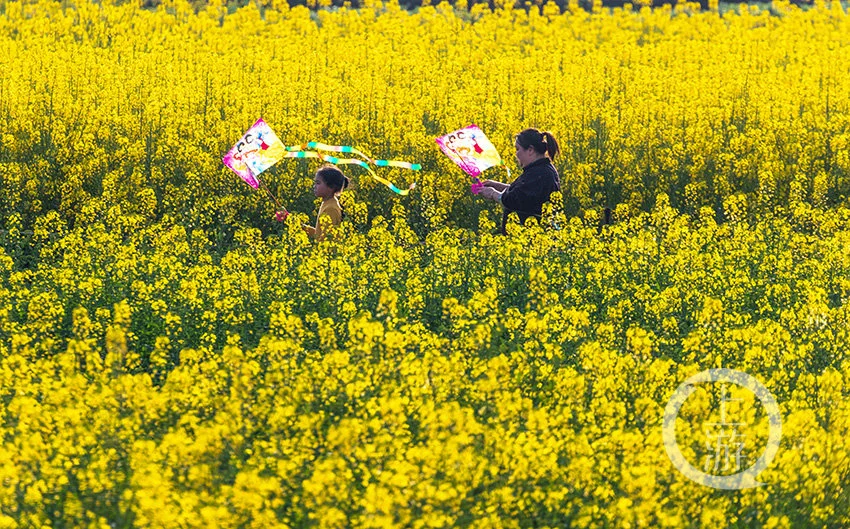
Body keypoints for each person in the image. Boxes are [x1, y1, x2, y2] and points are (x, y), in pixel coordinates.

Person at [477, 128, 561, 235]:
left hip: (532, 240)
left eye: (518, 149)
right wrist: (497, 185)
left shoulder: (540, 173)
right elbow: (522, 193)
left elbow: (514, 199)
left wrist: (493, 193)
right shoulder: (539, 169)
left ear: (530, 150)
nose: (516, 154)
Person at [297, 165, 349, 241]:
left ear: (331, 187)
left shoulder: (330, 208)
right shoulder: (327, 202)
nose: (314, 186)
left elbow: (326, 240)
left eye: (318, 183)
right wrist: (299, 225)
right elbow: (319, 234)